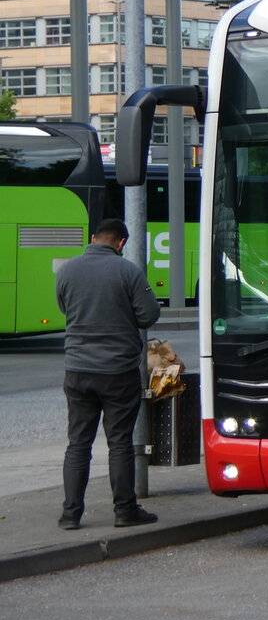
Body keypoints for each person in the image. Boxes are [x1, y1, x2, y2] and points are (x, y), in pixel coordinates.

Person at [55, 218, 161, 530]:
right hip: (117, 372)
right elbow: (149, 314)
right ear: (121, 243)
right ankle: (125, 511)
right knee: (119, 442)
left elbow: (64, 307)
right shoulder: (128, 271)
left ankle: (70, 515)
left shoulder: (67, 271)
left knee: (78, 443)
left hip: (77, 370)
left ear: (92, 238)